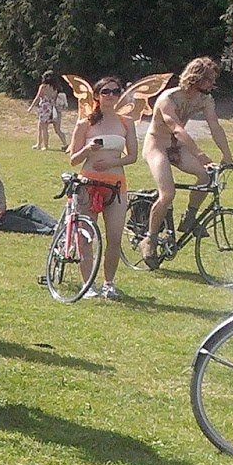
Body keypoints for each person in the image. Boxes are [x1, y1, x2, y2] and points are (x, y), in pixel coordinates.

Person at [140, 56, 233, 267]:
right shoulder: (169, 99)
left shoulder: (204, 99)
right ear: (196, 78)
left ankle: (189, 218)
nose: (212, 84)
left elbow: (215, 126)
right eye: (208, 80)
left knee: (205, 176)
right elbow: (176, 128)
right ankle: (150, 238)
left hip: (177, 146)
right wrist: (200, 154)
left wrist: (227, 156)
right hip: (157, 145)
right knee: (168, 193)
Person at [67, 77, 138, 299]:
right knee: (86, 235)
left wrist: (113, 162)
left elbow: (133, 156)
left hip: (115, 184)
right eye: (106, 92)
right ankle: (87, 283)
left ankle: (109, 283)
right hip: (88, 183)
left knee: (115, 236)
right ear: (97, 96)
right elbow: (73, 159)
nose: (111, 96)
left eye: (116, 92)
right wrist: (88, 148)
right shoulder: (85, 123)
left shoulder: (126, 122)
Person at [28, 70, 69, 151]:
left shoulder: (43, 87)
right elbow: (54, 99)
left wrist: (31, 107)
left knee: (43, 128)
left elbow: (37, 98)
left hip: (44, 108)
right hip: (54, 109)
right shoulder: (55, 88)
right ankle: (65, 144)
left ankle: (44, 146)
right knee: (57, 129)